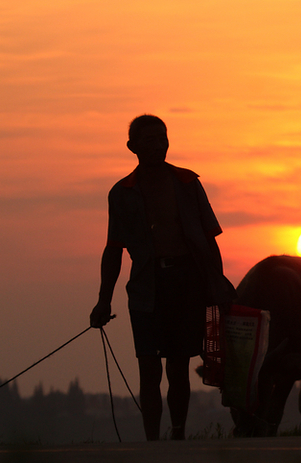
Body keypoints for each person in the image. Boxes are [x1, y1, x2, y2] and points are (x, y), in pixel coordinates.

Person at [90, 114, 230, 440]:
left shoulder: (187, 183)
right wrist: (103, 300)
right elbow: (114, 250)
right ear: (132, 147)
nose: (157, 146)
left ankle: (177, 434)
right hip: (145, 288)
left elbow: (209, 240)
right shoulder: (122, 193)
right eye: (149, 140)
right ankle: (152, 442)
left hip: (186, 283)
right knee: (148, 366)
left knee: (179, 366)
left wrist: (217, 285)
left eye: (162, 139)